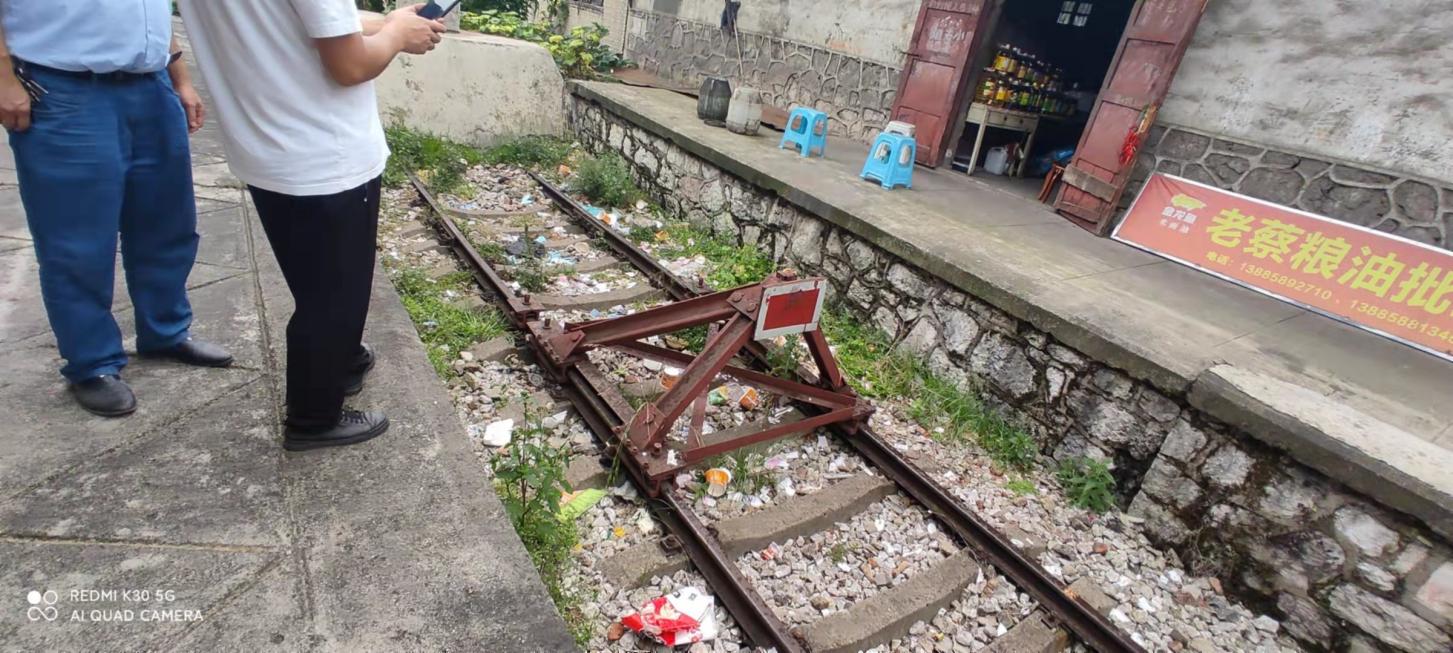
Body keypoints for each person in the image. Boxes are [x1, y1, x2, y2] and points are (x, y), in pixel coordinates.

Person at [176, 1, 445, 451]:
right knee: (334, 298)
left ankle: (342, 362)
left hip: (266, 143)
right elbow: (350, 65)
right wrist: (398, 34)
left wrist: (389, 20)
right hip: (324, 152)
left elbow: (291, 22)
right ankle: (314, 418)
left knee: (314, 279)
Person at [0, 2, 233, 417]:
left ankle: (165, 331)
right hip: (64, 89)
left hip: (152, 85)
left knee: (167, 224)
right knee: (77, 243)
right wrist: (3, 77)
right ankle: (92, 362)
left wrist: (180, 77)